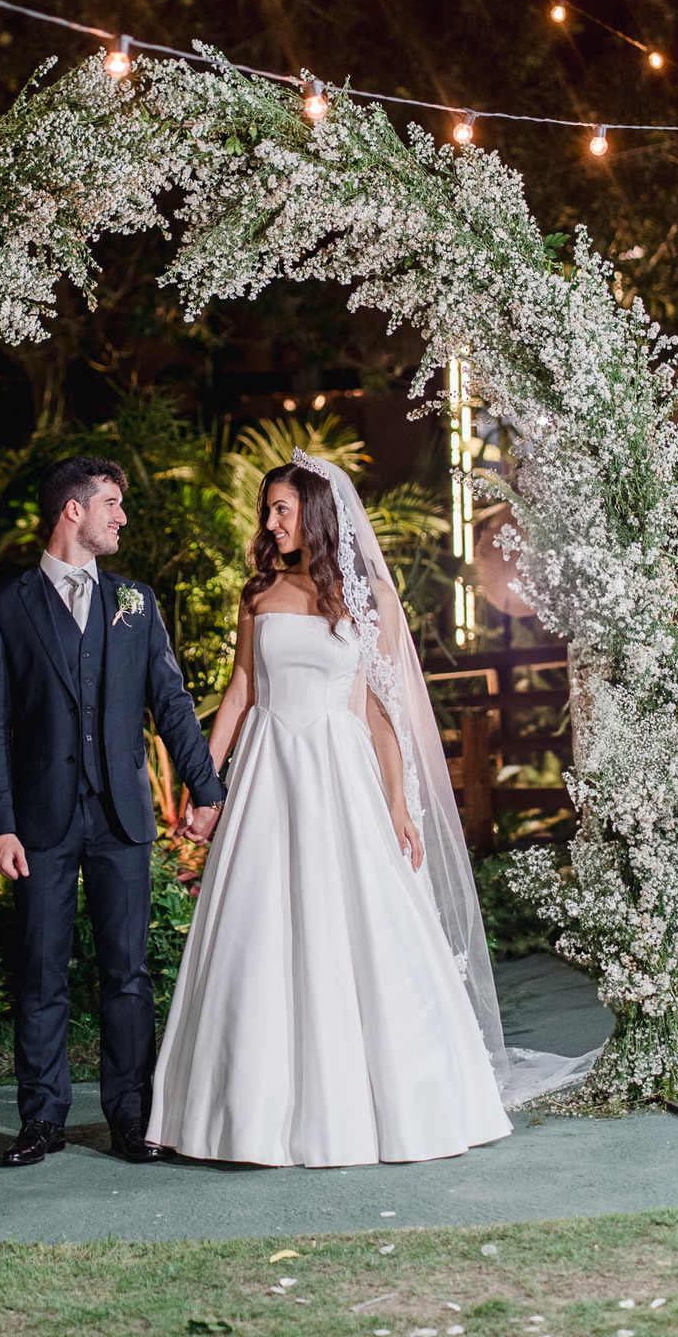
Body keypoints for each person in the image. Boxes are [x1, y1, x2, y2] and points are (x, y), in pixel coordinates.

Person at [147, 452, 592, 1168]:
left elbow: (384, 712)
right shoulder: (256, 593)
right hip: (265, 772)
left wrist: (397, 801)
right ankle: (242, 1115)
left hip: (338, 772)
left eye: (282, 509)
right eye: (268, 510)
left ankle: (378, 1101)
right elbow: (238, 692)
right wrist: (208, 786)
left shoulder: (369, 599)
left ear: (317, 514)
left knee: (353, 921)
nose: (270, 522)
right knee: (255, 927)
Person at [0, 455, 225, 1167]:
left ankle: (131, 1118)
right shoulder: (4, 605)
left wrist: (208, 789)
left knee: (127, 975)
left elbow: (172, 704)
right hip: (40, 823)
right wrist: (0, 822)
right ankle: (42, 1121)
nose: (122, 516)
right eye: (112, 502)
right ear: (73, 511)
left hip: (122, 819)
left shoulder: (135, 603)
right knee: (41, 975)